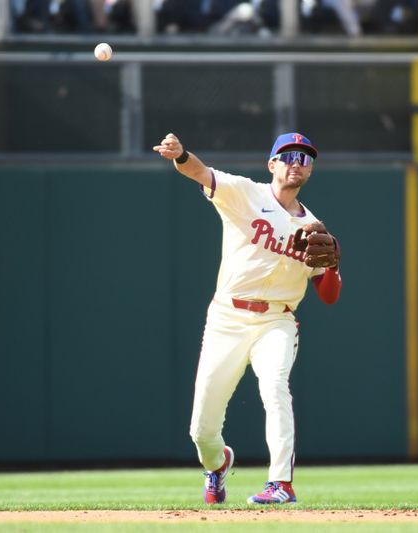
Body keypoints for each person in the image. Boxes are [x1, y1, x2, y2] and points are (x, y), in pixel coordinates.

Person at [153, 132, 342, 505]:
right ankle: (218, 463)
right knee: (202, 429)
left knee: (275, 387)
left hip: (277, 321)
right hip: (227, 317)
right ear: (271, 164)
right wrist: (181, 155)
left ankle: (281, 485)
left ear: (310, 171)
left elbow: (329, 296)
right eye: (287, 156)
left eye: (304, 159)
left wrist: (333, 267)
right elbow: (200, 172)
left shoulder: (314, 228)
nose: (295, 164)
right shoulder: (245, 193)